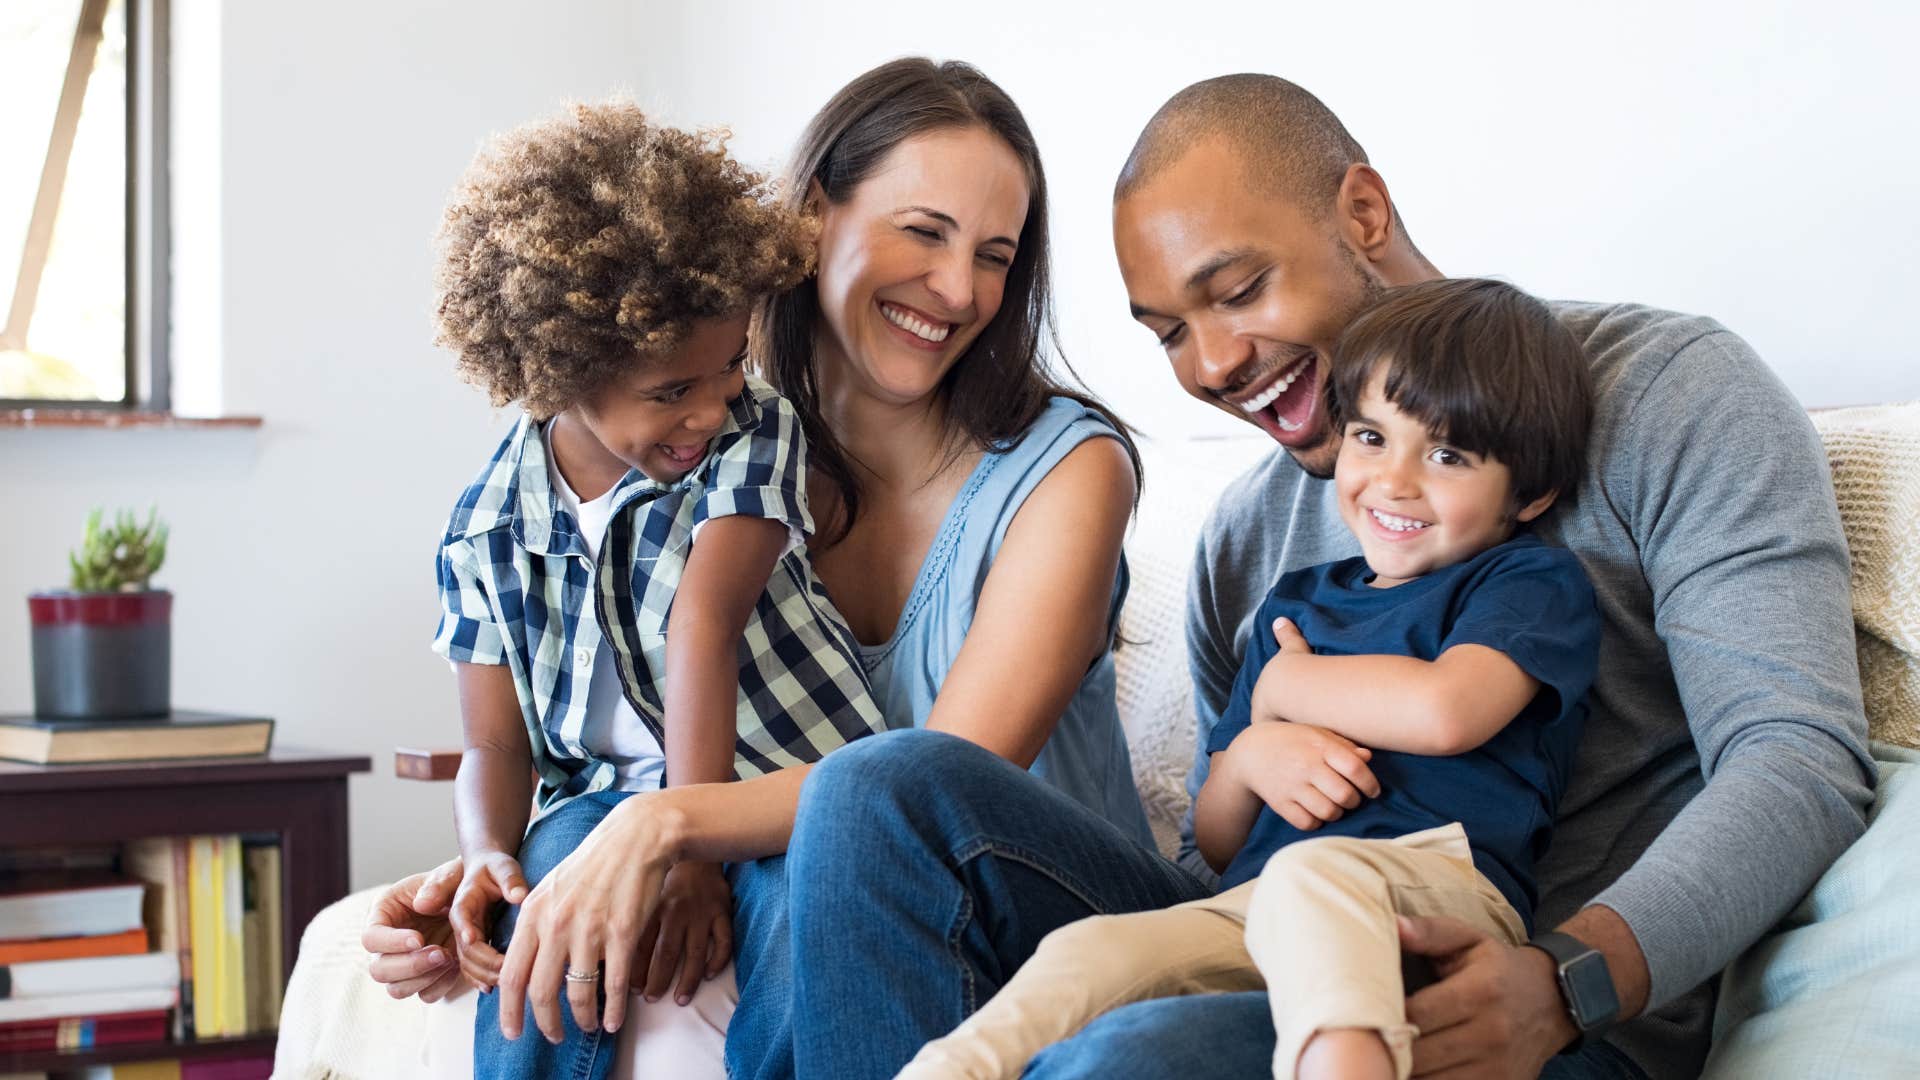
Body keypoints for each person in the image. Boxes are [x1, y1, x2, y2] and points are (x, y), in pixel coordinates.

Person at [777, 74, 1872, 1080]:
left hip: (1522, 1000)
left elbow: (1798, 759)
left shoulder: (1667, 395)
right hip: (1277, 934)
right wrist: (1255, 750)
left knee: (1128, 1058)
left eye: (1239, 290)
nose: (1210, 367)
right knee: (876, 791)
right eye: (1168, 333)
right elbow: (1227, 845)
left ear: (1361, 214)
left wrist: (1569, 981)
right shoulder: (1247, 537)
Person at [363, 58, 1164, 1080]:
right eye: (924, 231)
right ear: (815, 214)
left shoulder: (1066, 470)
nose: (960, 289)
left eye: (996, 256)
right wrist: (506, 880)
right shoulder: (698, 439)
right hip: (797, 869)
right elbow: (601, 730)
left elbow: (926, 795)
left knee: (839, 854)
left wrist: (667, 829)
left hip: (1023, 904)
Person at [901, 277, 1601, 1080]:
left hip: (1437, 890)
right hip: (1261, 901)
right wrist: (1252, 761)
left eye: (1446, 455)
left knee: (1316, 875)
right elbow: (1219, 834)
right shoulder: (1296, 605)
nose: (1395, 481)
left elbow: (1448, 711)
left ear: (1531, 492)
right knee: (1092, 949)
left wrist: (1282, 693)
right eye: (1372, 438)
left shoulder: (1525, 581)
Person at [422, 100, 891, 1077]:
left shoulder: (752, 433)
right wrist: (484, 857)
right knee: (545, 906)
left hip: (775, 784)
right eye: (671, 392)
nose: (709, 409)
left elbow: (702, 626)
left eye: (727, 366)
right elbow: (493, 742)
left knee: (814, 912)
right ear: (559, 374)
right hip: (594, 803)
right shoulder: (486, 524)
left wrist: (693, 853)